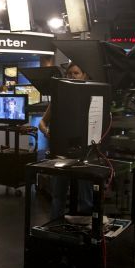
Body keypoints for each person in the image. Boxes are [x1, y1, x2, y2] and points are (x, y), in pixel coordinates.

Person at [39, 62, 93, 219]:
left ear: (85, 76)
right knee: (58, 195)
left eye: (76, 73)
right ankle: (55, 225)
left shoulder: (92, 96)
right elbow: (42, 123)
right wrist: (47, 131)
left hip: (84, 154)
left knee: (86, 197)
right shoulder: (58, 98)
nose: (72, 77)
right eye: (69, 74)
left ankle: (85, 227)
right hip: (61, 154)